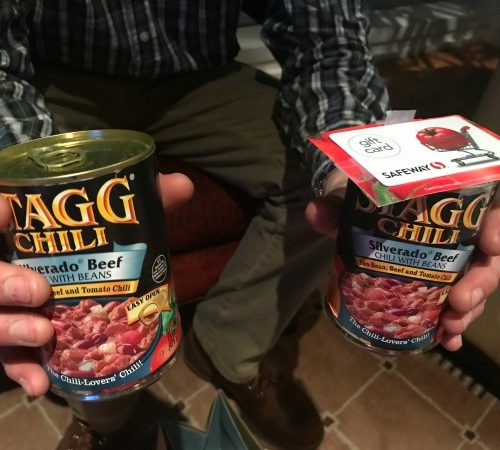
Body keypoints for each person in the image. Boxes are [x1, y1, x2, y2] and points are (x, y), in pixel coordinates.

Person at [0, 1, 499, 449]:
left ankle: (226, 351)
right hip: (56, 81)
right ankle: (104, 416)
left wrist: (361, 171)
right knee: (50, 242)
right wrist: (30, 188)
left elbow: (326, 39)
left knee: (320, 187)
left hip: (198, 78)